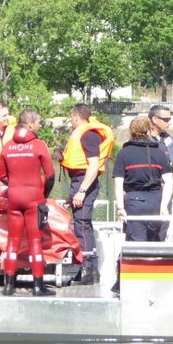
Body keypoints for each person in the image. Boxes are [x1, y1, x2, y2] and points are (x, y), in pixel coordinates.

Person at [0, 110, 56, 297]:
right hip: (33, 199)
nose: (40, 126)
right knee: (35, 242)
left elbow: (1, 175)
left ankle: (8, 285)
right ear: (29, 125)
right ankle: (38, 286)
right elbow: (51, 175)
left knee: (12, 242)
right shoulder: (39, 145)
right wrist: (42, 195)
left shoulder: (7, 146)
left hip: (14, 199)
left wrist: (15, 186)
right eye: (39, 122)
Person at [60, 104, 114, 285]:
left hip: (85, 182)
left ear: (76, 118)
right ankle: (85, 267)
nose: (71, 122)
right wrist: (74, 193)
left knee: (82, 224)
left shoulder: (88, 135)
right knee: (80, 223)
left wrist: (82, 191)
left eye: (71, 118)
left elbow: (93, 165)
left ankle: (88, 269)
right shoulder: (83, 134)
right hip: (79, 181)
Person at [113, 116, 173, 242]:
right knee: (154, 242)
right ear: (148, 132)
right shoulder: (159, 153)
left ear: (131, 133)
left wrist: (120, 208)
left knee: (136, 243)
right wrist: (163, 206)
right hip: (156, 201)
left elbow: (118, 184)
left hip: (134, 202)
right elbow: (169, 182)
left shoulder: (123, 154)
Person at [148, 105, 173, 198]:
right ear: (155, 119)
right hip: (149, 191)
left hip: (167, 190)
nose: (170, 123)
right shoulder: (143, 139)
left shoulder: (168, 138)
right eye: (166, 120)